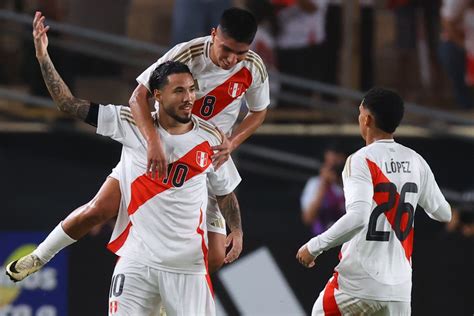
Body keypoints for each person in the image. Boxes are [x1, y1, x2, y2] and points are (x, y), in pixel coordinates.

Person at [6, 7, 269, 281]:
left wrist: (232, 143)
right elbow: (131, 97)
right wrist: (152, 141)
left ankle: (165, 299)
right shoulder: (185, 56)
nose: (232, 59)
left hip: (205, 155)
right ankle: (39, 256)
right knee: (100, 209)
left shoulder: (251, 68)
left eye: (240, 53)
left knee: (214, 256)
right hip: (160, 147)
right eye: (226, 50)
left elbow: (259, 111)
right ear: (213, 34)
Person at [296, 87, 452, 315]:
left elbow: (358, 218)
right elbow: (443, 214)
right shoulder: (415, 160)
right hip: (399, 288)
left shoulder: (360, 160)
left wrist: (314, 246)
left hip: (357, 284)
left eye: (360, 113)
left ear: (367, 119)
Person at [300, 146, 346, 235]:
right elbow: (308, 218)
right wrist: (323, 184)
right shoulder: (315, 183)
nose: (334, 170)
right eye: (329, 165)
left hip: (346, 241)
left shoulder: (351, 184)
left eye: (336, 165)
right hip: (322, 240)